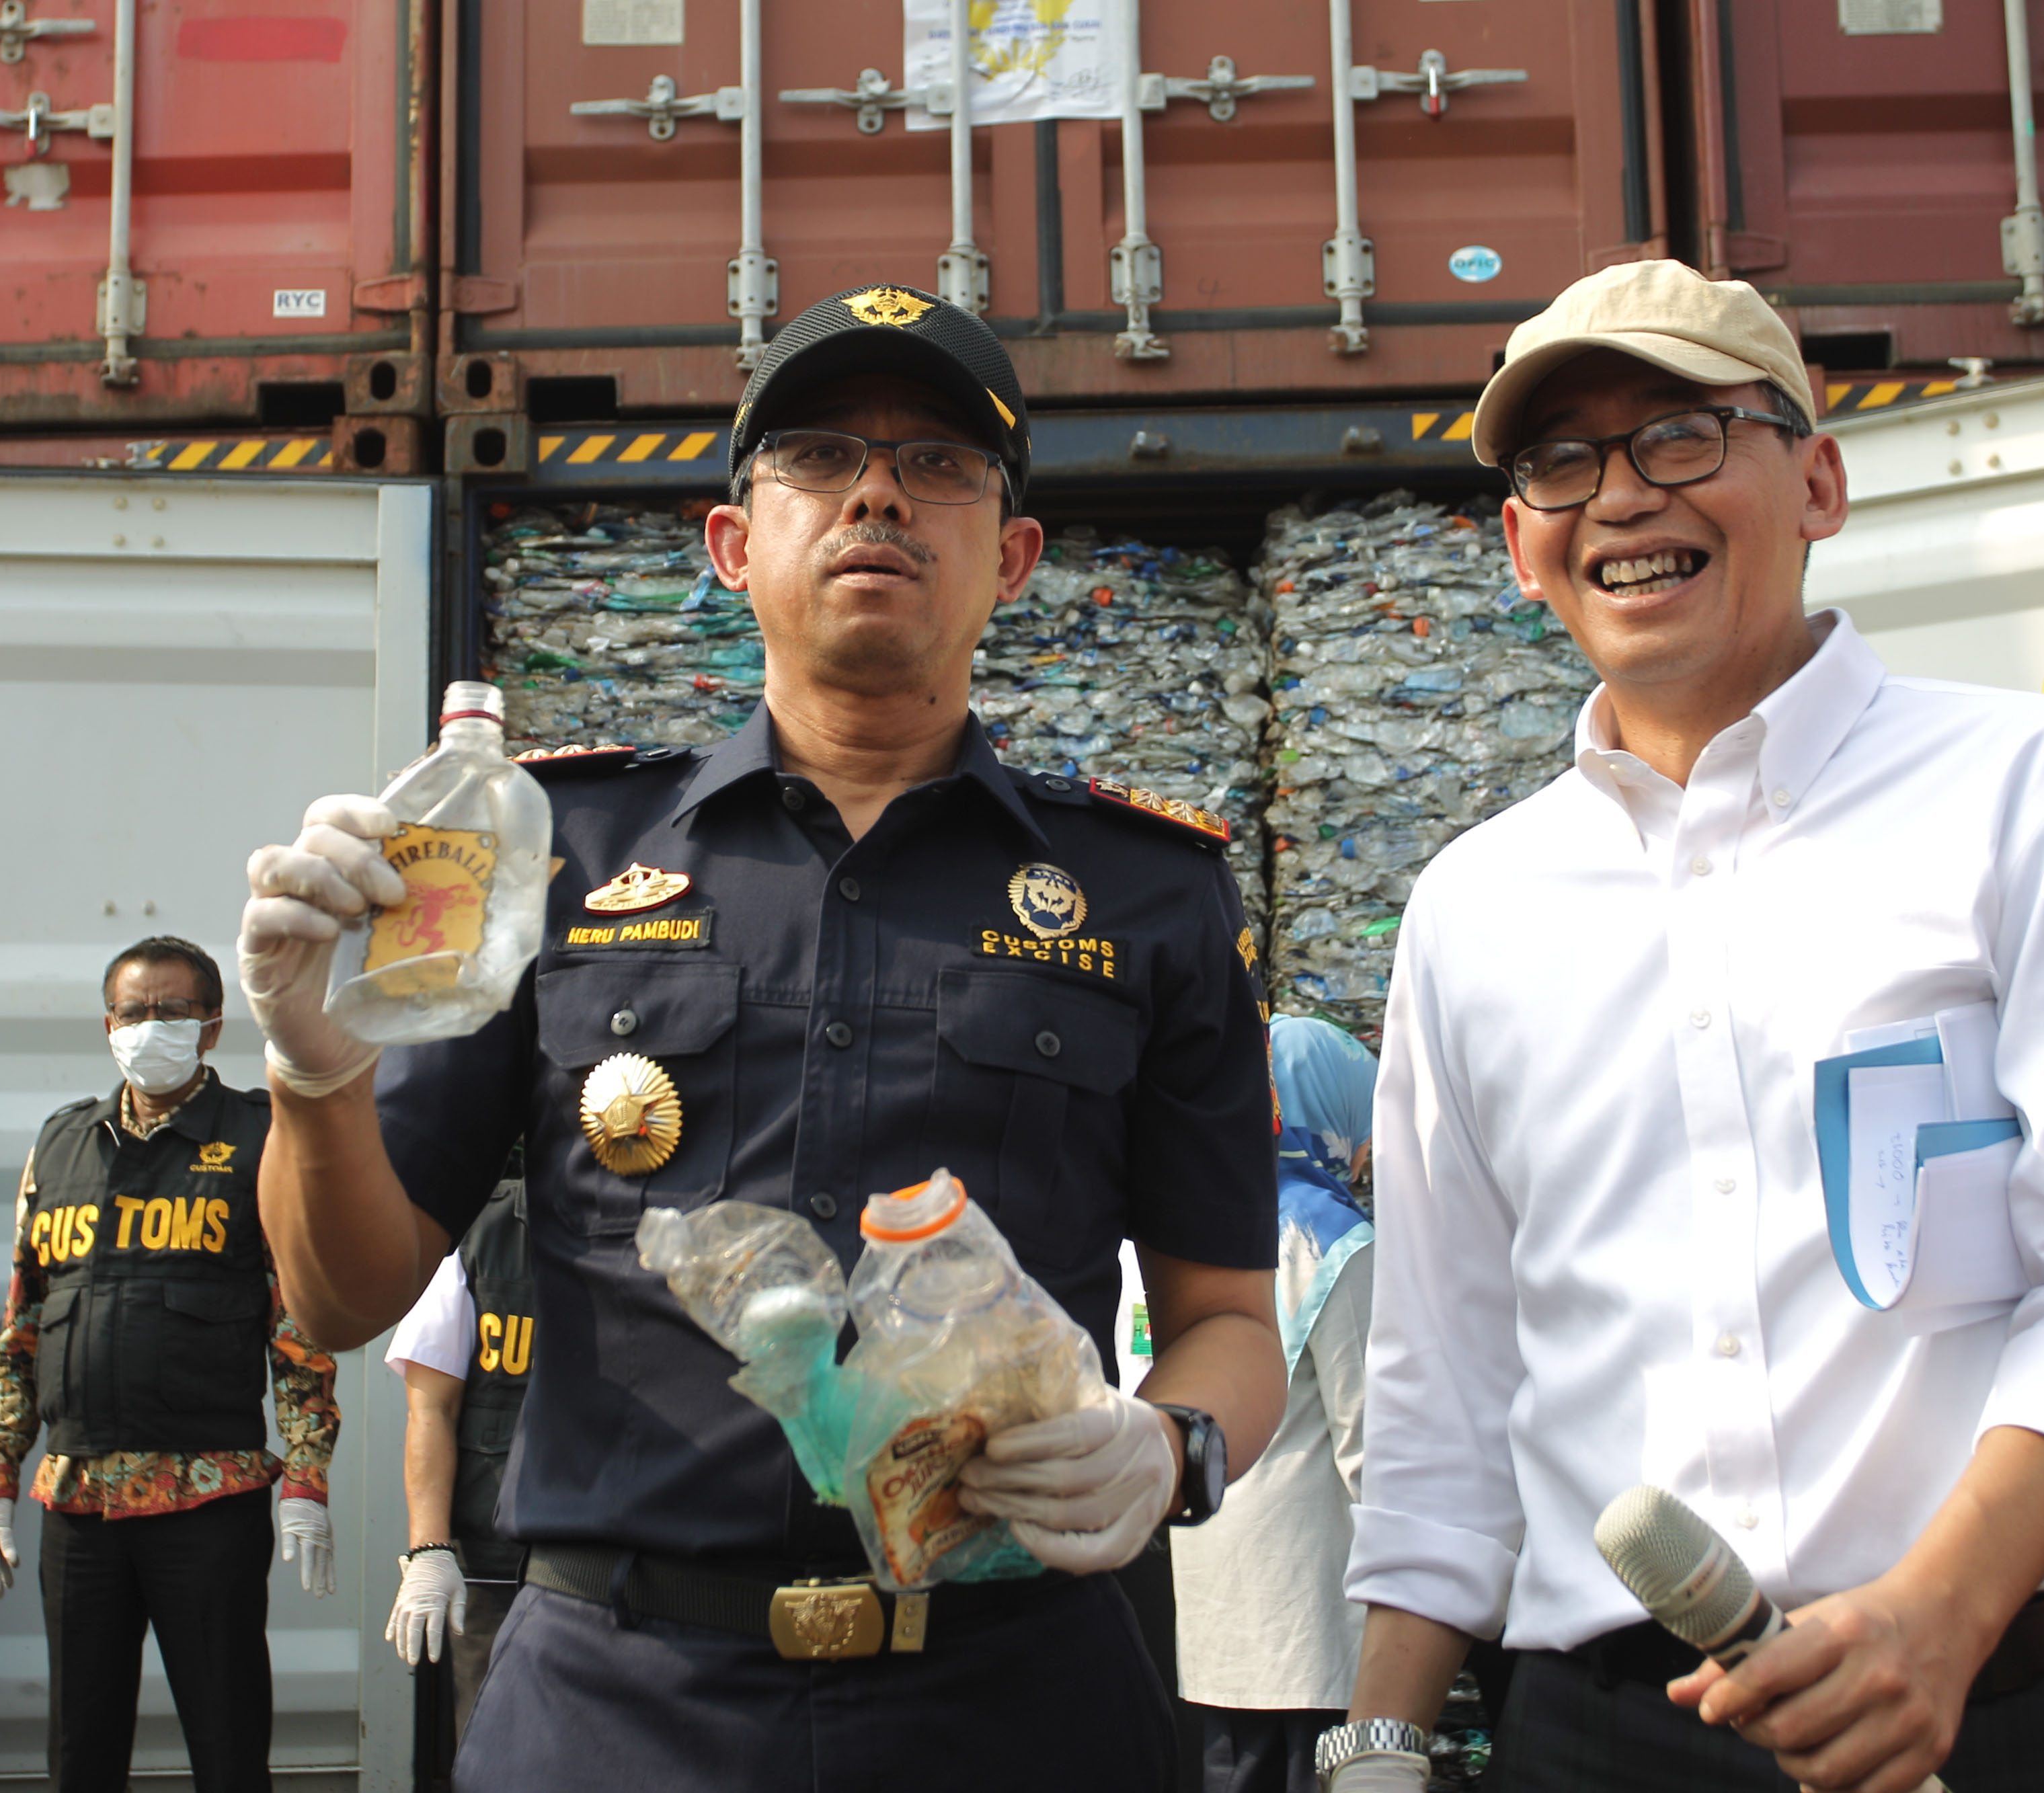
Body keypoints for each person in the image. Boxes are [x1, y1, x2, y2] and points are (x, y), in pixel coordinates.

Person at [235, 284, 1286, 1792]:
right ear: (733, 545)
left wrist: (1171, 1444)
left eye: (939, 463)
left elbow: (1228, 1317)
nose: (877, 495)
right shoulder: (560, 852)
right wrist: (310, 1067)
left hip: (1016, 1701)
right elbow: (343, 1294)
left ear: (1012, 557)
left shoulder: (1146, 892)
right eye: (818, 456)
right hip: (616, 1706)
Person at [1325, 259, 2044, 1793]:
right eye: (1561, 461)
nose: (1619, 496)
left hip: (2006, 1708)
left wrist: (1937, 1618)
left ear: (1818, 483)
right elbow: (1444, 1377)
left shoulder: (2032, 792)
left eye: (1680, 435)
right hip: (1605, 1741)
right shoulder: (1474, 905)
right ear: (1521, 546)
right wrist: (1379, 1743)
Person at [0, 937, 342, 1793]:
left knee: (228, 1746)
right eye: (133, 1012)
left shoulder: (261, 1138)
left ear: (211, 1027)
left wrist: (307, 1480)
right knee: (80, 1755)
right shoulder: (61, 1142)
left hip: (207, 1498)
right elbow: (24, 1325)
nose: (151, 1026)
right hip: (78, 1503)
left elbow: (299, 1328)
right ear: (109, 1026)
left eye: (173, 1010)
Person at [1175, 1017, 1378, 1793]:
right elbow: (1375, 1454)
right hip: (1310, 1626)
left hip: (1210, 1612)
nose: (1363, 1157)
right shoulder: (1338, 1244)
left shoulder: (1189, 1231)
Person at [381, 1178, 533, 1749]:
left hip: (618, 1562)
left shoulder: (658, 1239)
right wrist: (429, 1548)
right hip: (498, 1569)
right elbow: (431, 1408)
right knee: (494, 1747)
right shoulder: (476, 1234)